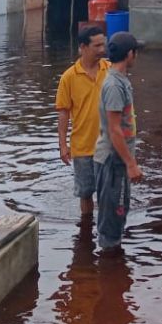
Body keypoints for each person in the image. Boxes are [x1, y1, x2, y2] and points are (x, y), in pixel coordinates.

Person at [94, 31, 146, 252]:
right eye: (136, 52)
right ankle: (107, 270)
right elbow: (115, 130)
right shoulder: (114, 85)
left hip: (117, 159)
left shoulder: (120, 80)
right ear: (130, 54)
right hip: (112, 160)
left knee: (119, 211)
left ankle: (113, 272)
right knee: (112, 218)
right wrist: (131, 164)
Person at [55, 26, 110, 219]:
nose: (102, 49)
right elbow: (63, 113)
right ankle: (86, 231)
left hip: (108, 146)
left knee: (108, 192)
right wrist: (63, 145)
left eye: (103, 44)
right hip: (82, 147)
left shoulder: (110, 71)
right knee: (85, 193)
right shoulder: (69, 77)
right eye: (97, 45)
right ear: (83, 47)